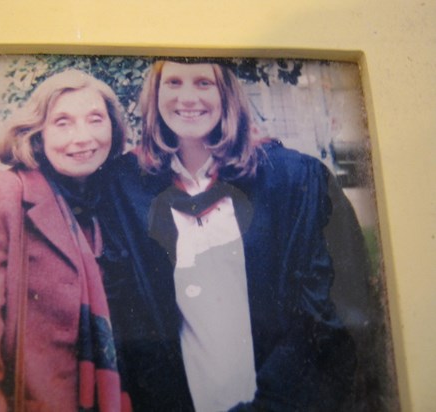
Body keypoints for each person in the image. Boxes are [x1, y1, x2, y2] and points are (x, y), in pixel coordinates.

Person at [100, 60, 358, 412]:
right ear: (155, 95)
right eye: (173, 82)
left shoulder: (291, 179)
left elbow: (326, 313)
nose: (187, 97)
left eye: (204, 82)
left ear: (228, 93)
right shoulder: (126, 188)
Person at [0, 70, 131, 412]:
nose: (83, 137)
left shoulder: (111, 207)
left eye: (95, 119)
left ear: (113, 129)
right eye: (62, 122)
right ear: (36, 133)